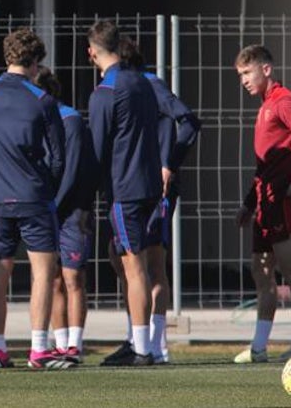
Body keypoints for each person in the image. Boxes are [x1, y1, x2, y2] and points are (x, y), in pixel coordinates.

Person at [0, 29, 70, 371]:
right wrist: (46, 189)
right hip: (34, 198)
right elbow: (58, 157)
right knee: (43, 274)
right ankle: (38, 349)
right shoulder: (42, 100)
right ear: (36, 62)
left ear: (6, 58)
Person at [105, 37, 201, 365]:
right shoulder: (121, 88)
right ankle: (136, 338)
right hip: (131, 185)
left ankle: (156, 346)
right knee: (123, 260)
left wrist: (169, 163)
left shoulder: (148, 84)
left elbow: (188, 120)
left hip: (154, 188)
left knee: (152, 264)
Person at [233, 44, 291, 363]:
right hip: (264, 203)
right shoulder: (265, 107)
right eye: (240, 75)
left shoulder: (283, 102)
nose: (243, 80)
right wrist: (248, 203)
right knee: (261, 274)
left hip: (283, 202)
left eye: (247, 73)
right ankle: (259, 347)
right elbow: (264, 166)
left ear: (266, 70)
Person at [86, 20, 163, 367]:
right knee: (121, 259)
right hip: (148, 186)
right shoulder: (143, 83)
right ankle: (135, 339)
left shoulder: (106, 91)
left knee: (135, 267)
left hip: (125, 190)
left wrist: (84, 195)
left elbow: (97, 148)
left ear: (92, 52)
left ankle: (144, 350)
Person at [32, 66, 97, 366]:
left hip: (72, 211)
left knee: (73, 277)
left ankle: (75, 344)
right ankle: (59, 344)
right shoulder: (36, 120)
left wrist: (54, 204)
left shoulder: (69, 119)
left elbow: (70, 171)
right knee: (52, 278)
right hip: (48, 208)